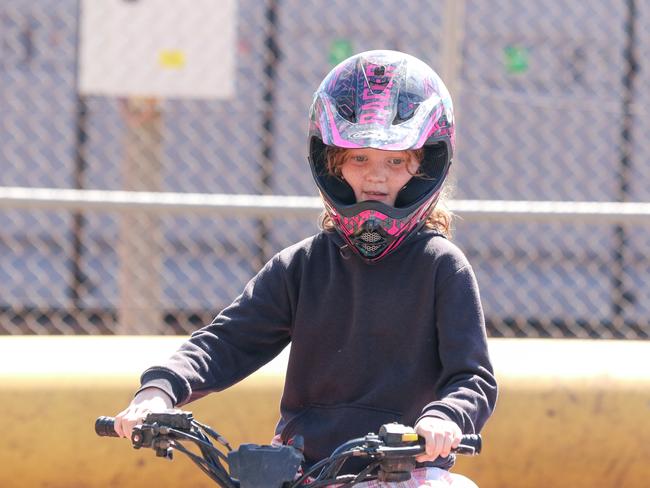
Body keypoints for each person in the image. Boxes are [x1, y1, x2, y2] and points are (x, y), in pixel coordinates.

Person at [114, 49, 498, 487]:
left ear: (423, 166)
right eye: (359, 159)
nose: (376, 177)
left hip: (404, 471)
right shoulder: (301, 266)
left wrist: (445, 417)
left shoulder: (441, 266)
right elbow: (225, 342)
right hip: (304, 473)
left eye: (394, 161)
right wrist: (158, 392)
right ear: (331, 163)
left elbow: (473, 377)